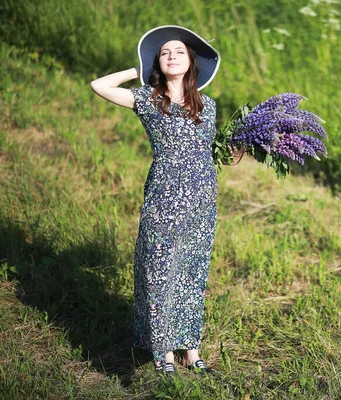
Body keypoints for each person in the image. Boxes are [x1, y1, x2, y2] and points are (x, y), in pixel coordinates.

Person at [90, 25, 242, 374]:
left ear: (191, 61)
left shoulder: (209, 105)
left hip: (203, 196)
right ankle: (163, 353)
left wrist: (233, 152)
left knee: (192, 270)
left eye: (179, 51)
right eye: (165, 53)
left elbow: (206, 150)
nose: (172, 56)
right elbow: (100, 86)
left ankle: (190, 348)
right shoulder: (147, 98)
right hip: (164, 195)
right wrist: (138, 69)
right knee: (159, 270)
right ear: (158, 63)